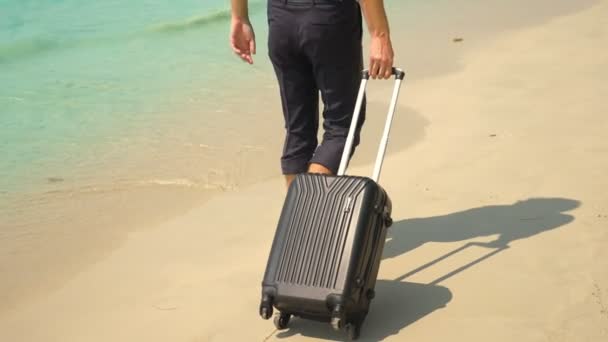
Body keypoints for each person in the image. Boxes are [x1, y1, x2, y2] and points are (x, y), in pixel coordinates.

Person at [230, 0, 395, 187]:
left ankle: (297, 213)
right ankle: (308, 207)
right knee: (342, 128)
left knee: (298, 130)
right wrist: (379, 35)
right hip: (328, 18)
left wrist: (239, 16)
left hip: (280, 21)